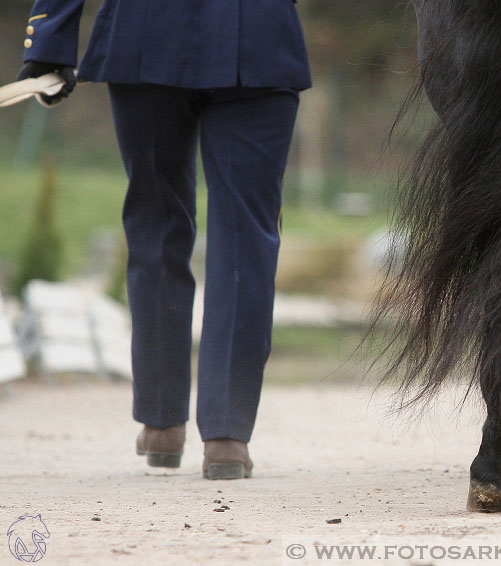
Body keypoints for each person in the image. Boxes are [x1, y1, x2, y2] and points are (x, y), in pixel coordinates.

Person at [17, 0, 311, 480]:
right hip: (258, 36)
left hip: (145, 34)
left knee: (155, 222)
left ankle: (160, 422)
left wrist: (50, 40)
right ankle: (226, 437)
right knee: (244, 239)